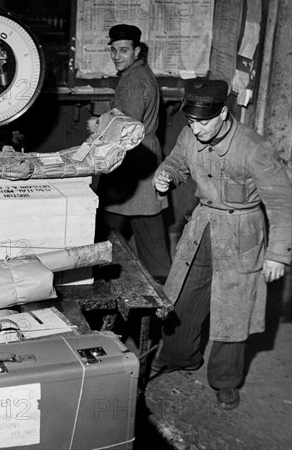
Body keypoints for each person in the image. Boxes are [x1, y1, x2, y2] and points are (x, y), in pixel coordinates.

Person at [151, 79, 292, 410]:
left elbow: (283, 204)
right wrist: (166, 175)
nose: (196, 129)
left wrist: (278, 255)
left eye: (204, 122)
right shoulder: (190, 135)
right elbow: (177, 163)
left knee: (233, 310)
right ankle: (178, 356)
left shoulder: (255, 149)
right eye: (191, 122)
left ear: (225, 113)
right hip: (202, 227)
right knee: (184, 295)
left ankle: (225, 380)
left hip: (242, 233)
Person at [95, 24, 171, 282]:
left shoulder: (132, 81)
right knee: (147, 223)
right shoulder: (143, 74)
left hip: (131, 160)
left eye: (123, 50)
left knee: (104, 227)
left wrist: (97, 124)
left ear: (137, 51)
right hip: (145, 157)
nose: (117, 56)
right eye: (113, 50)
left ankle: (93, 274)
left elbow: (125, 130)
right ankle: (164, 283)